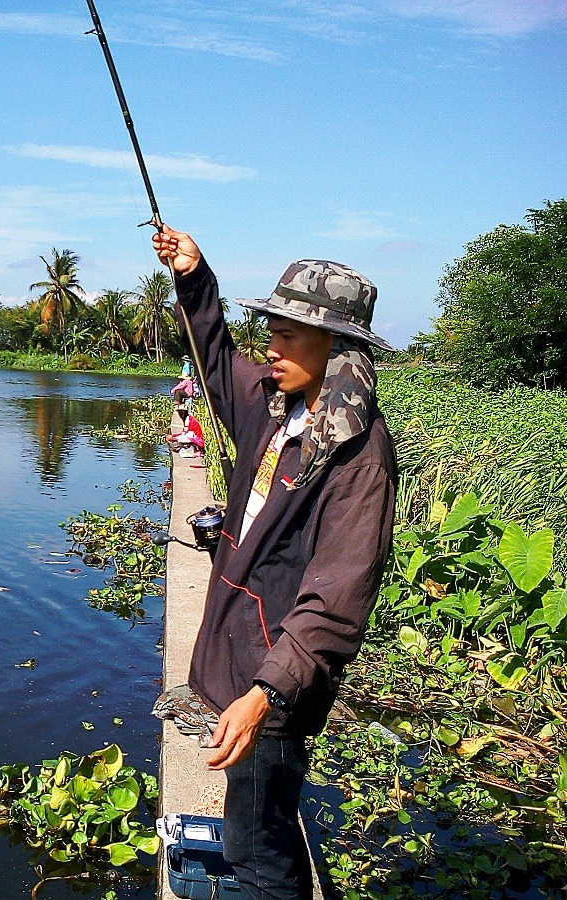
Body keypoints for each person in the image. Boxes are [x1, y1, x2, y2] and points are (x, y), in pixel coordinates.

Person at [152, 226, 397, 899]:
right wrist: (195, 276)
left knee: (258, 850)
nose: (273, 343)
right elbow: (214, 357)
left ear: (339, 346)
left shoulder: (358, 455)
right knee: (253, 821)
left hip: (275, 681)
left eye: (292, 333)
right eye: (273, 326)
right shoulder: (276, 406)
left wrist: (265, 694)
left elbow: (336, 600)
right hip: (241, 654)